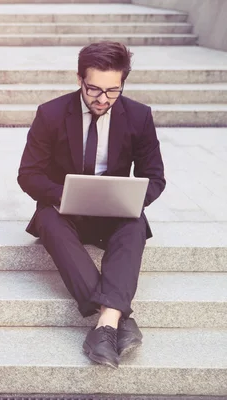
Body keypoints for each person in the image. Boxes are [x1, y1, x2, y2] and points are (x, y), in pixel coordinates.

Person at [17, 41, 166, 369]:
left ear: (123, 82)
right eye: (93, 89)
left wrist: (129, 197)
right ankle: (115, 319)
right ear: (79, 79)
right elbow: (28, 175)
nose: (102, 99)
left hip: (112, 213)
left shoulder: (139, 117)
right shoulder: (51, 114)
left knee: (135, 222)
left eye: (113, 91)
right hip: (62, 210)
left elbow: (155, 177)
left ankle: (105, 325)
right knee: (49, 220)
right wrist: (64, 195)